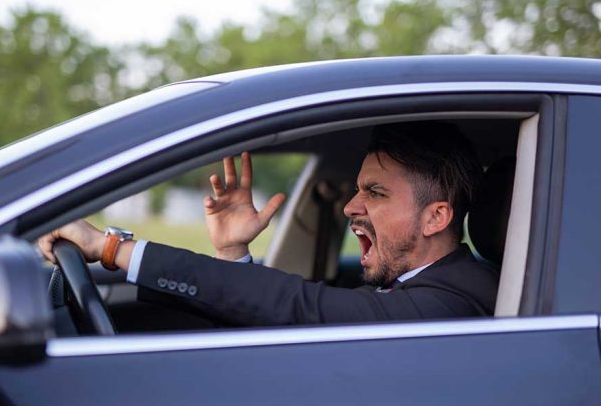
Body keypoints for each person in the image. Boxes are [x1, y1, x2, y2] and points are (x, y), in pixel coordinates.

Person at [38, 121, 498, 325]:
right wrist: (234, 255)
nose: (349, 207)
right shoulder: (420, 281)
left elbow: (300, 308)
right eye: (357, 189)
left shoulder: (457, 301)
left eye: (375, 193)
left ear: (436, 216)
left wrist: (112, 248)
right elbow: (286, 315)